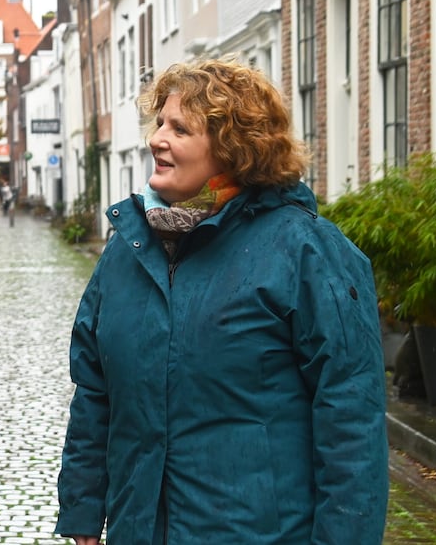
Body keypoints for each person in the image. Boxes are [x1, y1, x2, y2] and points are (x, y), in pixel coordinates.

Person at [56, 57, 388, 544]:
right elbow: (95, 390)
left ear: (233, 150)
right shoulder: (129, 249)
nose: (156, 139)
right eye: (160, 123)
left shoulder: (305, 251)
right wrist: (84, 506)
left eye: (180, 129)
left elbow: (351, 421)